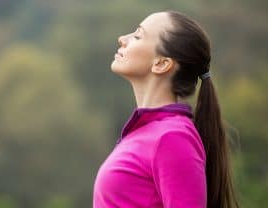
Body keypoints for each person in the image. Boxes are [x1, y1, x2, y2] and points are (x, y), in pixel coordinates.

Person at [93, 10, 240, 208]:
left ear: (161, 64)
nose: (122, 39)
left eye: (137, 35)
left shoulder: (172, 137)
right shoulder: (145, 133)